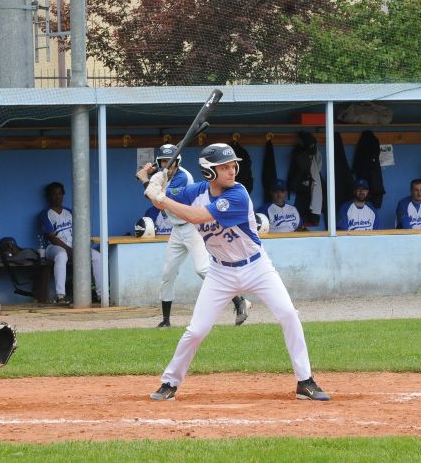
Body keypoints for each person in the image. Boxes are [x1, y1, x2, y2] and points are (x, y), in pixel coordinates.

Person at [137, 143, 329, 402]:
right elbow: (163, 205)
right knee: (196, 330)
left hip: (256, 266)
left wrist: (161, 196)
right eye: (224, 167)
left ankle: (305, 381)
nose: (232, 171)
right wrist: (154, 184)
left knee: (288, 313)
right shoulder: (195, 191)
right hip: (220, 272)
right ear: (208, 173)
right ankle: (169, 382)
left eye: (232, 166)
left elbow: (195, 216)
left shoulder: (238, 195)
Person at [139, 144, 251, 328]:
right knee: (168, 273)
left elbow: (161, 198)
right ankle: (166, 320)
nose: (168, 165)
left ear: (178, 161)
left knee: (202, 269)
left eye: (171, 161)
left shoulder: (183, 177)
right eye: (164, 162)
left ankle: (240, 301)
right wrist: (152, 176)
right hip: (176, 230)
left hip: (192, 226)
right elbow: (156, 192)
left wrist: (146, 179)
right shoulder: (164, 174)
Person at [37, 181, 103, 304]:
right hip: (53, 248)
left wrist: (80, 247)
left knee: (97, 256)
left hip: (74, 247)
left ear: (63, 195)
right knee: (62, 255)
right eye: (54, 194)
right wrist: (69, 250)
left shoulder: (70, 212)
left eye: (60, 193)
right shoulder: (45, 214)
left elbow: (81, 231)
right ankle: (60, 295)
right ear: (48, 196)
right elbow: (51, 237)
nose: (57, 197)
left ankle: (102, 295)